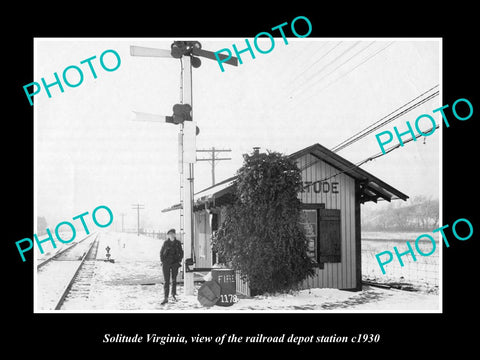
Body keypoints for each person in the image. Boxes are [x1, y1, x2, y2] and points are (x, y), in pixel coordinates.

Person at [160, 229, 183, 305]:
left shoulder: (178, 243)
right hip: (166, 264)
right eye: (170, 234)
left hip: (174, 264)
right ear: (168, 235)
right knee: (166, 281)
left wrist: (179, 261)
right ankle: (165, 297)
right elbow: (161, 252)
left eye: (172, 234)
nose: (171, 235)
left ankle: (173, 295)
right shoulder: (166, 243)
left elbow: (181, 252)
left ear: (175, 234)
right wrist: (162, 261)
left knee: (174, 280)